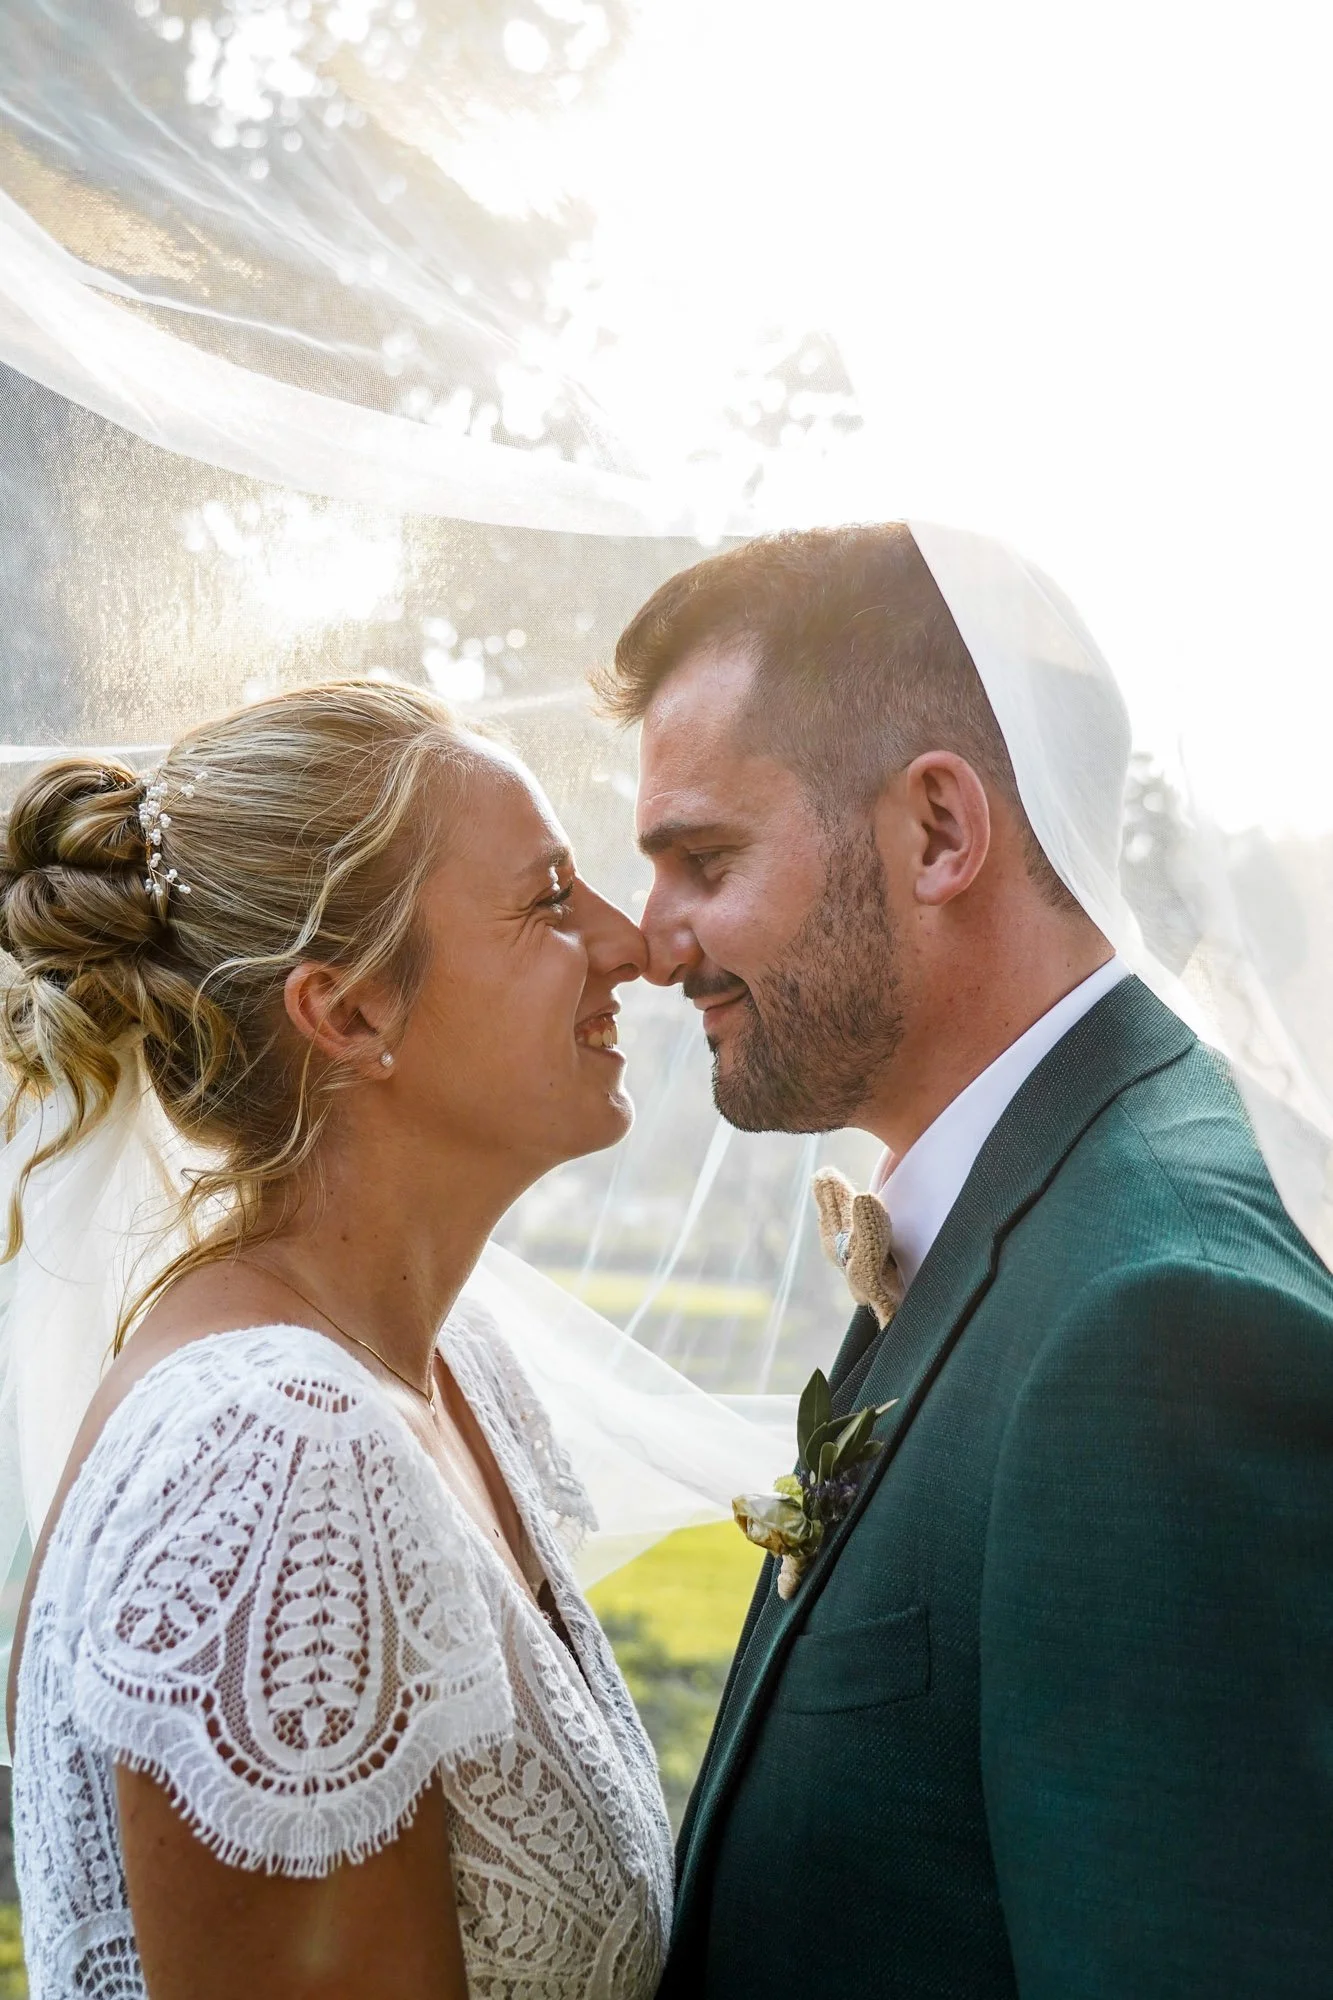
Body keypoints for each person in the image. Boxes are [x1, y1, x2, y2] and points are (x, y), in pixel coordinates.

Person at [603, 523, 1333, 1999]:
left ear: (939, 830)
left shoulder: (1156, 1324)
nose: (653, 942)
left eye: (705, 860)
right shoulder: (1027, 1197)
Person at [0, 679, 672, 1999]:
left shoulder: (455, 1366)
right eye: (548, 900)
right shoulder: (279, 1458)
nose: (630, 942)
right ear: (349, 1012)